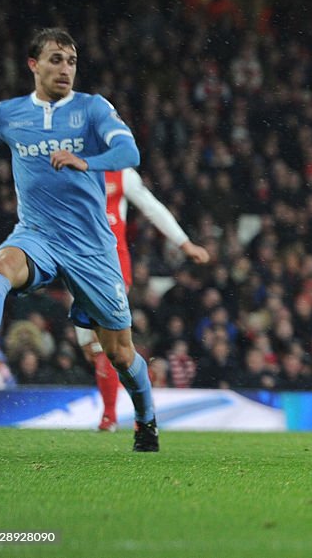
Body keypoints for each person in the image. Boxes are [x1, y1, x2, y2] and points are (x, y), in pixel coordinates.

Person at [0, 28, 159, 451]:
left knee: (119, 353)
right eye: (56, 59)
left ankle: (145, 419)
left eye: (71, 61)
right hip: (37, 234)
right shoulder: (6, 114)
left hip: (93, 247)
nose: (65, 69)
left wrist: (86, 161)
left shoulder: (93, 109)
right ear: (33, 64)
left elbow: (130, 153)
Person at [79, 167, 210, 432]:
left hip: (111, 267)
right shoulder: (66, 167)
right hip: (76, 265)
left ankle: (113, 417)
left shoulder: (120, 174)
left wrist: (184, 244)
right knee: (94, 350)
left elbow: (152, 208)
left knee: (106, 344)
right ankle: (133, 404)